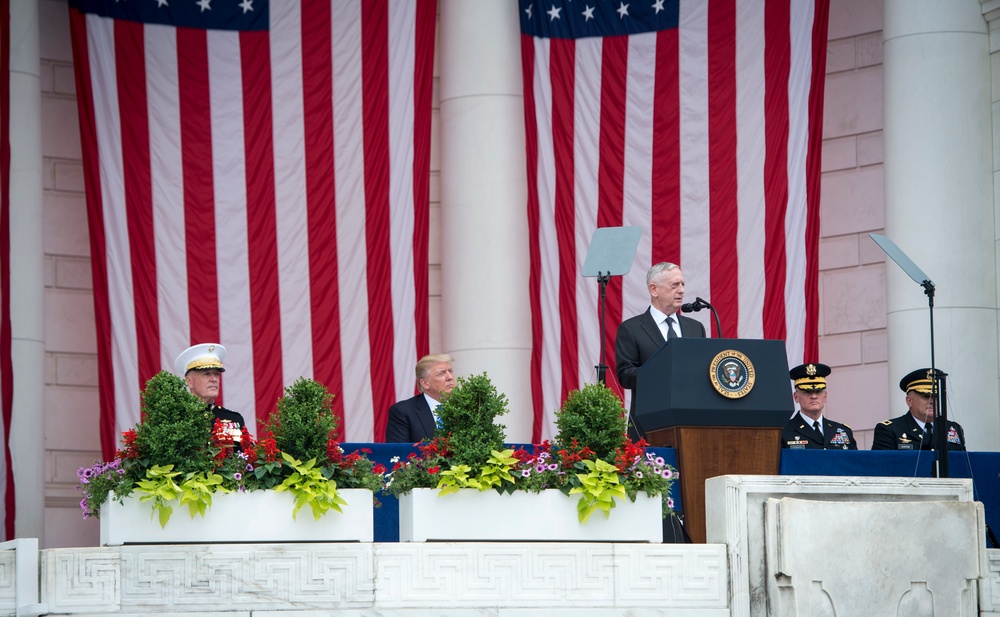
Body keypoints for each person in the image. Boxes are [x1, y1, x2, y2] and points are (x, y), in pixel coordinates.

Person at [615, 262, 706, 437]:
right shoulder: (631, 329)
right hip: (648, 426)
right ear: (654, 289)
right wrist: (663, 370)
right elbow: (625, 376)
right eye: (674, 285)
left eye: (682, 284)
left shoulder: (695, 328)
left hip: (691, 426)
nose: (681, 290)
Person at [872, 368, 966, 451]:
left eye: (936, 397)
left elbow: (962, 466)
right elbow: (881, 468)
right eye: (926, 396)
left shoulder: (952, 429)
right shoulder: (890, 430)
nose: (932, 401)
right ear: (909, 401)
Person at [173, 343, 246, 442]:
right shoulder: (176, 419)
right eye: (207, 374)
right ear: (189, 381)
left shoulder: (234, 419)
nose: (214, 379)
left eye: (216, 374)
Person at [782, 363, 857, 450]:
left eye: (818, 391)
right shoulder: (784, 432)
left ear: (825, 396)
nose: (814, 396)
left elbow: (854, 462)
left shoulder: (843, 431)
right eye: (807, 392)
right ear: (796, 397)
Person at [385, 353, 456, 443]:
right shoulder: (403, 412)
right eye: (442, 373)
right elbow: (398, 453)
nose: (450, 377)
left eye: (450, 371)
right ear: (425, 383)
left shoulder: (466, 408)